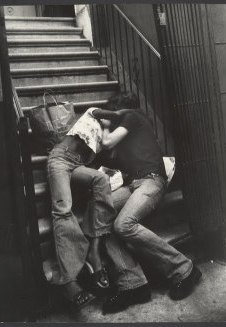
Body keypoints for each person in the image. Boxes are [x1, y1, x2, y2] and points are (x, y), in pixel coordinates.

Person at [99, 92, 202, 314]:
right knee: (98, 218)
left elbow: (106, 142)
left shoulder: (133, 116)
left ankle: (184, 268)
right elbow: (111, 152)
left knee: (123, 224)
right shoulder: (127, 132)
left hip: (152, 181)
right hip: (133, 184)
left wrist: (105, 124)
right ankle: (133, 284)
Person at [47, 106, 151, 311]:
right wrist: (127, 114)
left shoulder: (107, 136)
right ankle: (70, 283)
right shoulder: (95, 112)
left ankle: (94, 251)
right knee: (63, 209)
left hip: (77, 165)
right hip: (59, 158)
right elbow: (108, 115)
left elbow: (109, 155)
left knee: (101, 180)